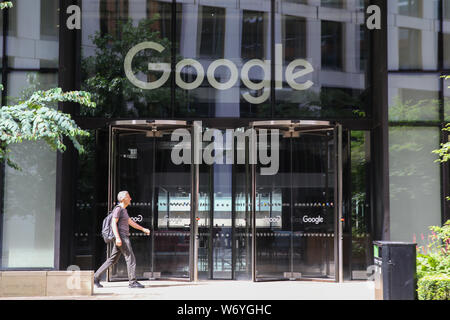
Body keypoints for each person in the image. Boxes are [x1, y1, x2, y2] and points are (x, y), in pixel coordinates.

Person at [94, 191, 150, 288]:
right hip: (122, 237)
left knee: (112, 260)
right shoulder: (118, 209)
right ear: (124, 199)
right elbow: (113, 223)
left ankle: (95, 277)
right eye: (129, 197)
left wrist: (143, 229)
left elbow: (131, 222)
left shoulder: (124, 210)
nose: (131, 198)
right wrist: (118, 238)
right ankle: (132, 282)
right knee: (130, 258)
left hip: (121, 237)